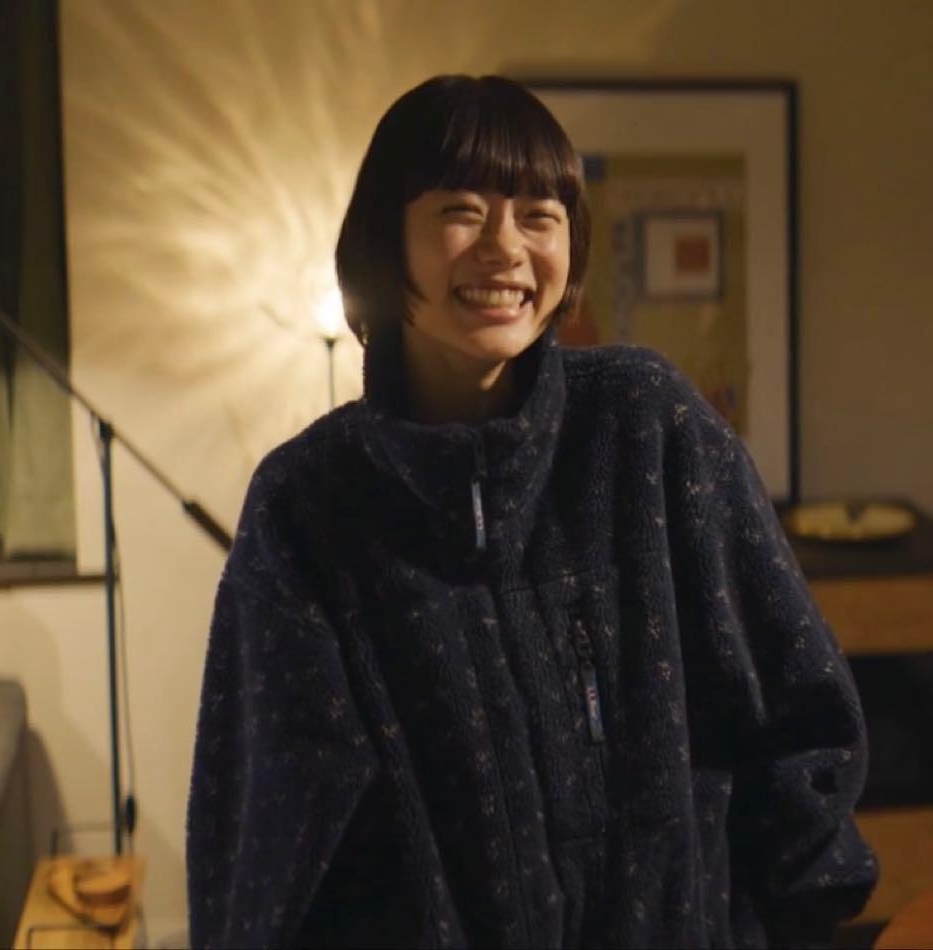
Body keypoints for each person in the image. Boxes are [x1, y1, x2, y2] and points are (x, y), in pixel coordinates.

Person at [186, 74, 877, 949]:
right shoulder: (307, 503)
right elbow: (264, 842)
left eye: (539, 216)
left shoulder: (647, 424)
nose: (505, 248)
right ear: (385, 236)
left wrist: (796, 919)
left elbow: (799, 707)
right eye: (462, 212)